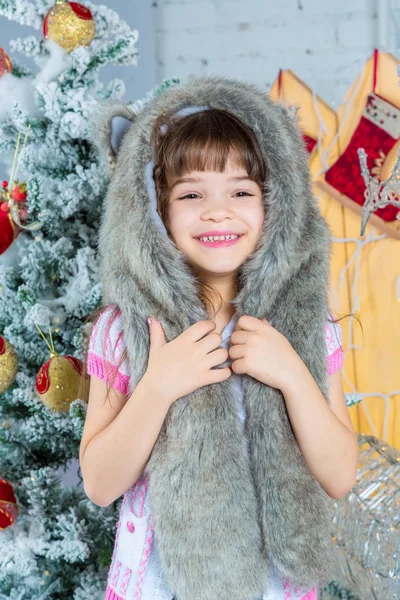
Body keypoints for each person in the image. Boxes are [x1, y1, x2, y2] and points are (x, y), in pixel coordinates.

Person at [79, 76, 359, 600]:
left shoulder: (304, 327)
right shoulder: (126, 331)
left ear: (276, 204)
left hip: (277, 586)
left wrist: (294, 375)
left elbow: (341, 474)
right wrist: (158, 386)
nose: (218, 211)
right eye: (190, 193)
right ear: (154, 210)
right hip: (161, 585)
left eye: (241, 191)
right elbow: (99, 483)